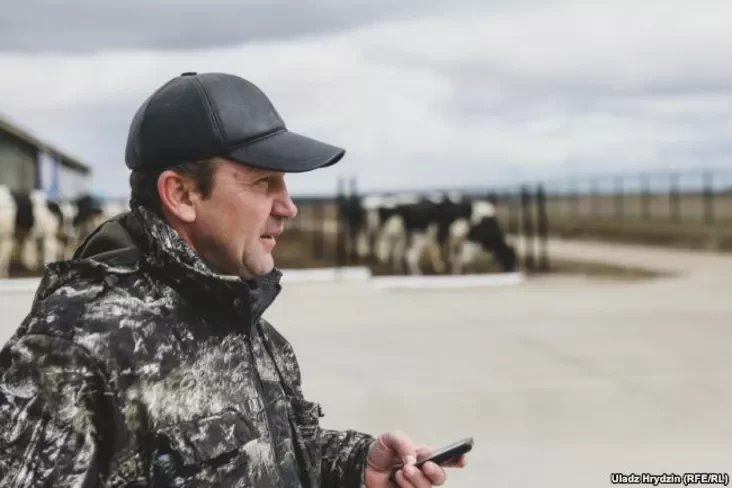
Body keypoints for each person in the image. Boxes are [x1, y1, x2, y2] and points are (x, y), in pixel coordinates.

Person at [0, 72, 467, 487]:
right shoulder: (74, 348)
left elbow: (263, 457)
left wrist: (355, 466)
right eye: (263, 182)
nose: (288, 207)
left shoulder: (239, 313)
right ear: (182, 195)